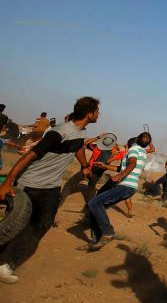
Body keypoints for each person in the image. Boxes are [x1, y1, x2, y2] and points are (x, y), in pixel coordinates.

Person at [0, 97, 102, 284]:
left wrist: (85, 166)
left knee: (43, 224)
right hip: (31, 183)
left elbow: (78, 146)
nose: (99, 114)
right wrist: (8, 182)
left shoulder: (80, 132)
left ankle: (5, 264)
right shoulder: (59, 132)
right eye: (97, 111)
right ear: (89, 113)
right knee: (16, 223)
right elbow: (30, 156)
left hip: (51, 187)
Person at [87, 132, 155, 250]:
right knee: (96, 206)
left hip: (125, 185)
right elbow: (122, 167)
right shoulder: (143, 152)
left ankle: (108, 232)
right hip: (130, 187)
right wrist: (105, 166)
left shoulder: (133, 149)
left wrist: (121, 176)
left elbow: (132, 164)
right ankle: (96, 241)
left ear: (136, 139)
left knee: (94, 203)